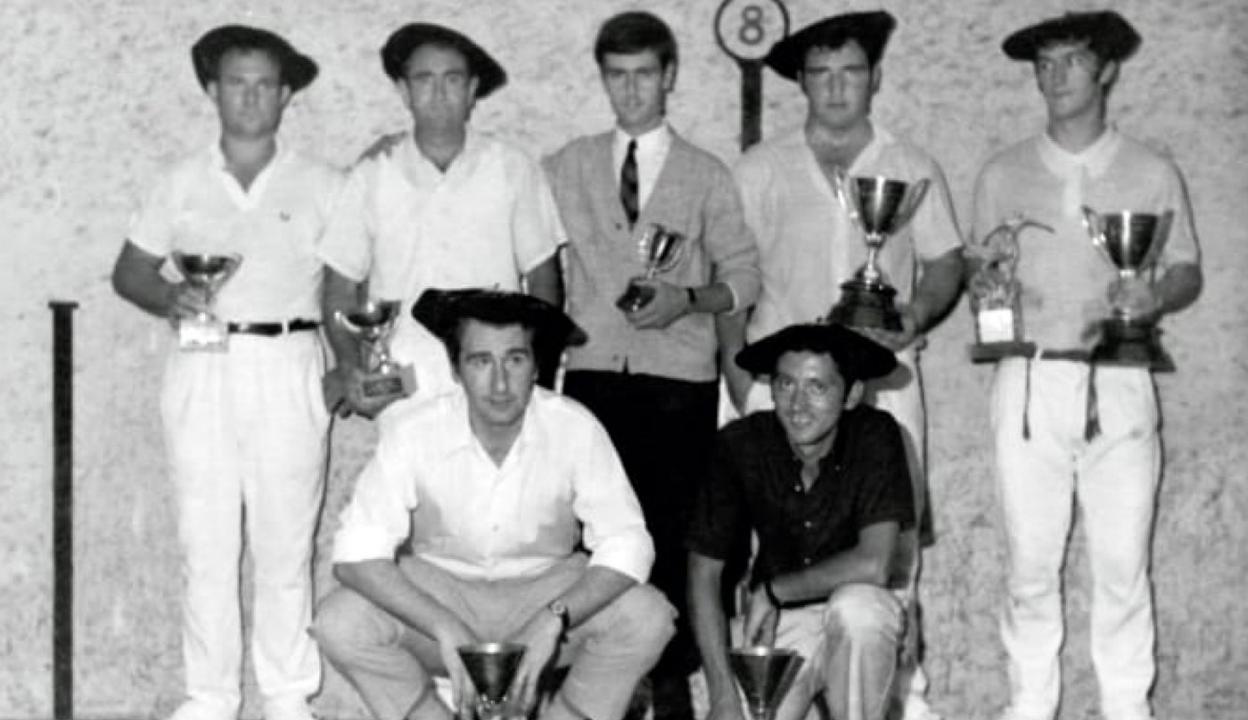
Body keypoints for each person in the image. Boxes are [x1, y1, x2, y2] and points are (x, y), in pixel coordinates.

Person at [726, 12, 963, 720]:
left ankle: (903, 701)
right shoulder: (759, 168)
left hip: (883, 386)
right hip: (780, 392)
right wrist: (739, 381)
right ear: (802, 82)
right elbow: (729, 276)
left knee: (894, 554)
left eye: (850, 72)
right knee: (767, 550)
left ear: (875, 78)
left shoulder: (912, 164)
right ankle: (770, 693)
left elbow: (946, 262)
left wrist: (916, 316)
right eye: (821, 74)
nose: (835, 88)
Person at [972, 12, 1201, 720]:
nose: (1055, 76)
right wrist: (990, 287)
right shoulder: (1002, 172)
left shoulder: (1152, 170)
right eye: (1044, 64)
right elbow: (983, 272)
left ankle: (1127, 708)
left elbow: (1186, 270)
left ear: (1107, 71)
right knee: (1030, 569)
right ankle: (1028, 706)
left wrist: (1155, 294)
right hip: (1030, 381)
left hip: (1121, 379)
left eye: (1072, 60)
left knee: (1123, 569)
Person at [110, 25, 340, 720]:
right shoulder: (179, 181)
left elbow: (347, 288)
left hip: (290, 364)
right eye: (237, 83)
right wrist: (170, 298)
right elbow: (130, 272)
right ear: (212, 90)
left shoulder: (325, 184)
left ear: (286, 94)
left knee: (285, 543)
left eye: (265, 84)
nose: (250, 97)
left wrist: (348, 367)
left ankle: (287, 695)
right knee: (205, 542)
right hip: (202, 366)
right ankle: (209, 696)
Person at [313, 288, 675, 720]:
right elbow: (355, 556)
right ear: (455, 369)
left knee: (648, 617)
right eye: (481, 361)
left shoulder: (575, 426)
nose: (500, 383)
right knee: (340, 623)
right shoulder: (414, 431)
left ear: (536, 366)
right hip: (440, 593)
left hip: (545, 591)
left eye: (515, 360)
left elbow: (628, 542)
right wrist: (443, 625)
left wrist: (554, 617)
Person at [542, 11, 761, 719]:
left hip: (679, 385)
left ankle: (669, 687)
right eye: (617, 76)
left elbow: (743, 277)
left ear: (669, 77)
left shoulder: (705, 173)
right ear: (603, 79)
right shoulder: (567, 165)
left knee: (672, 535)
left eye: (644, 74)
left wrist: (687, 300)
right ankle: (603, 688)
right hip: (593, 379)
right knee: (594, 538)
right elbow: (507, 208)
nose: (631, 90)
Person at [319, 22, 564, 421]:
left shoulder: (513, 169)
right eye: (424, 80)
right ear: (404, 91)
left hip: (494, 375)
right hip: (402, 379)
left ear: (471, 90)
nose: (438, 93)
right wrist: (349, 365)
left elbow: (543, 279)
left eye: (452, 79)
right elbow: (339, 288)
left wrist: (534, 364)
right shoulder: (373, 174)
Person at [688, 322, 915, 720]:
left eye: (817, 387)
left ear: (852, 394)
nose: (797, 405)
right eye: (786, 385)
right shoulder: (742, 443)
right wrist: (722, 694)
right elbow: (703, 571)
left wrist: (774, 591)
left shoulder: (876, 435)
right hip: (779, 624)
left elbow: (874, 564)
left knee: (858, 609)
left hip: (855, 617)